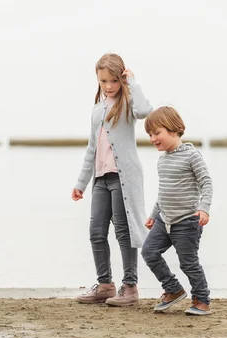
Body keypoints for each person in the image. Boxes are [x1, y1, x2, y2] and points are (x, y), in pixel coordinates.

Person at [73, 53, 152, 306]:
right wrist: (81, 183)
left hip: (123, 178)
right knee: (96, 231)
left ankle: (130, 288)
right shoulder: (97, 110)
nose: (109, 86)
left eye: (114, 81)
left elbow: (146, 111)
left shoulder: (128, 104)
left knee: (124, 232)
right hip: (100, 179)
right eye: (104, 81)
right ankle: (105, 285)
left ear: (121, 80)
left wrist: (133, 84)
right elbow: (91, 149)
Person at [141, 106, 213, 315]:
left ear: (173, 129)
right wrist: (154, 215)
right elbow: (164, 193)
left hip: (187, 221)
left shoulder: (191, 156)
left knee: (188, 263)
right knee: (149, 252)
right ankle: (172, 289)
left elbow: (206, 183)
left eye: (157, 133)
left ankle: (202, 300)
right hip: (165, 220)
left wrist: (204, 209)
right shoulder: (162, 160)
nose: (153, 138)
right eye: (150, 135)